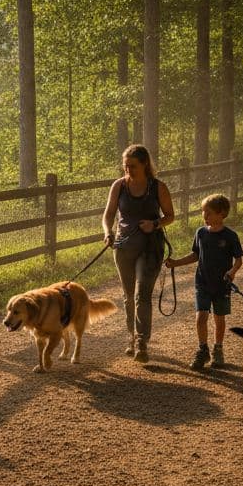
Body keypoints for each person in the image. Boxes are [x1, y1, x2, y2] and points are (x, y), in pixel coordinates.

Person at [102, 144, 175, 363]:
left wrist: (154, 223)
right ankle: (131, 337)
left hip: (150, 247)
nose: (128, 170)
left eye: (132, 166)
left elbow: (170, 216)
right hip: (123, 246)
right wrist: (108, 233)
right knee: (128, 295)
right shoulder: (119, 186)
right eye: (125, 166)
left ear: (145, 164)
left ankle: (142, 341)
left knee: (142, 294)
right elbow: (108, 215)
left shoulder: (158, 187)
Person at [164, 193, 243, 370]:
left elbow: (238, 260)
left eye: (208, 212)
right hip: (202, 283)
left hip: (221, 285)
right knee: (201, 317)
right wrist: (175, 263)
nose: (204, 216)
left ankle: (218, 348)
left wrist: (232, 272)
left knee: (219, 318)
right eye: (203, 212)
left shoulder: (230, 236)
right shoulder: (200, 233)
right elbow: (195, 255)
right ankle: (202, 349)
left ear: (221, 213)